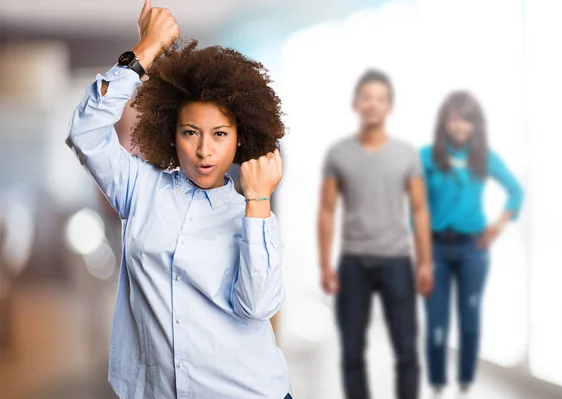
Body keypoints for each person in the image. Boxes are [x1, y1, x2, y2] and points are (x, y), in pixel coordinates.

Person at [66, 1, 292, 398]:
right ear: (171, 132)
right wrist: (144, 51)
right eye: (191, 132)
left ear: (241, 138)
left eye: (220, 134)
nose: (204, 150)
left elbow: (257, 306)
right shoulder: (140, 188)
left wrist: (258, 202)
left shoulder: (249, 213)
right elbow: (85, 132)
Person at [318, 69, 434, 399]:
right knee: (351, 354)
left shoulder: (406, 154)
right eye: (367, 98)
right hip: (353, 262)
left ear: (389, 108)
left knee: (407, 353)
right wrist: (326, 264)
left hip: (397, 261)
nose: (373, 104)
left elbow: (420, 210)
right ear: (356, 104)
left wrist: (425, 263)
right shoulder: (338, 154)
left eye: (380, 99)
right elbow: (326, 210)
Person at [420, 91, 524, 397]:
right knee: (437, 323)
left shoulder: (485, 157)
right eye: (454, 119)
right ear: (444, 121)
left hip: (472, 250)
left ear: (475, 124)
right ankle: (437, 384)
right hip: (436, 248)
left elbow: (516, 191)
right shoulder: (426, 156)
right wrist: (423, 255)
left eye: (467, 120)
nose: (460, 126)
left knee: (469, 319)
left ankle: (465, 384)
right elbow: (418, 208)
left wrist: (500, 224)